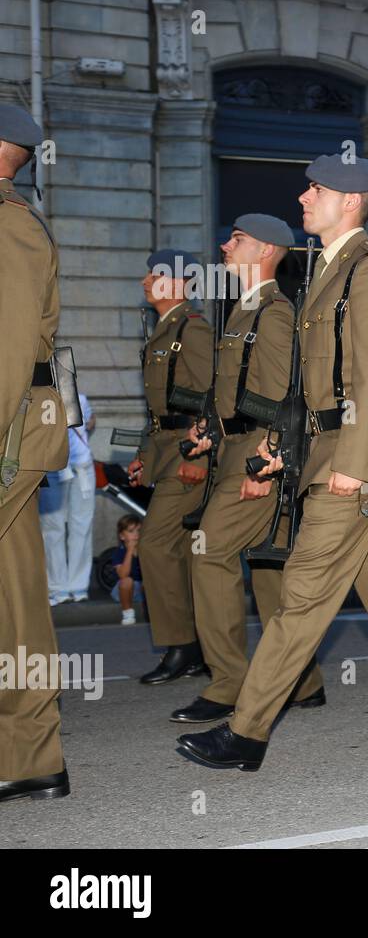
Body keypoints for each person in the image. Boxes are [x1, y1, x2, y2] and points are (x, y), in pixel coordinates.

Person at [177, 153, 368, 770]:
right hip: (330, 451)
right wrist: (282, 448)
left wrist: (356, 461)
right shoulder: (327, 272)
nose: (304, 197)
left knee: (303, 596)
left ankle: (246, 732)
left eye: (317, 189)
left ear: (353, 202)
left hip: (357, 460)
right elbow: (315, 389)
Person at [171, 213, 327, 724]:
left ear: (263, 252)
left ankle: (230, 682)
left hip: (259, 456)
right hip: (238, 450)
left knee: (209, 552)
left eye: (236, 239)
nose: (224, 243)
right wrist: (209, 432)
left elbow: (285, 397)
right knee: (268, 572)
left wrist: (268, 463)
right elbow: (239, 393)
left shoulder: (274, 313)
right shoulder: (244, 310)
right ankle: (302, 681)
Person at [0, 102, 72, 804]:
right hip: (17, 437)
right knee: (17, 601)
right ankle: (31, 758)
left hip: (10, 436)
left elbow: (10, 351)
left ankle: (30, 754)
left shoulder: (11, 228)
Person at [129, 248, 214, 684]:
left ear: (178, 284)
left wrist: (198, 455)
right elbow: (158, 409)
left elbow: (208, 398)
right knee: (179, 551)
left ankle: (183, 646)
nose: (145, 281)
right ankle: (196, 647)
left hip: (187, 453)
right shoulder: (165, 329)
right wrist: (144, 455)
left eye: (154, 275)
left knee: (155, 545)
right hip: (165, 449)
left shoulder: (192, 331)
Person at [40, 392, 95, 604]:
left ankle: (74, 586)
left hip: (78, 467)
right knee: (55, 527)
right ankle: (60, 587)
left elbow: (89, 423)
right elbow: (90, 423)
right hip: (55, 467)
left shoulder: (78, 397)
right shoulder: (78, 397)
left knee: (76, 525)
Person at [111, 514, 144, 625]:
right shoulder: (119, 552)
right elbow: (123, 575)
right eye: (131, 531)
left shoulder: (146, 549)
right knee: (127, 581)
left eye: (138, 530)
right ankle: (127, 613)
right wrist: (130, 551)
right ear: (122, 536)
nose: (136, 535)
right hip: (122, 591)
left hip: (141, 589)